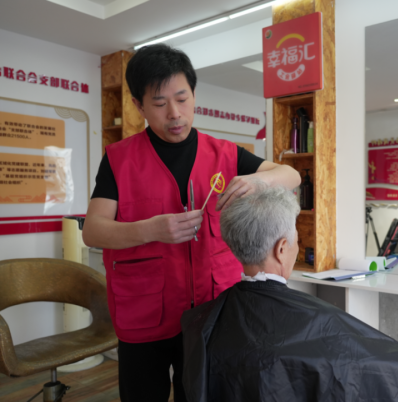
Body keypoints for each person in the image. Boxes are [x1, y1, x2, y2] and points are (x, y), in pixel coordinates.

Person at [82, 44, 300, 402]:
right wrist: (151, 229)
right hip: (144, 314)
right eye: (159, 103)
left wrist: (258, 181)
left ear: (194, 95)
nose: (175, 114)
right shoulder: (119, 160)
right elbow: (93, 230)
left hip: (210, 312)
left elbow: (291, 175)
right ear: (138, 106)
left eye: (182, 99)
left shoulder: (224, 154)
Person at [180, 186, 398, 402]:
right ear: (282, 249)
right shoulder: (314, 321)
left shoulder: (204, 322)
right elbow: (371, 374)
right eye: (295, 238)